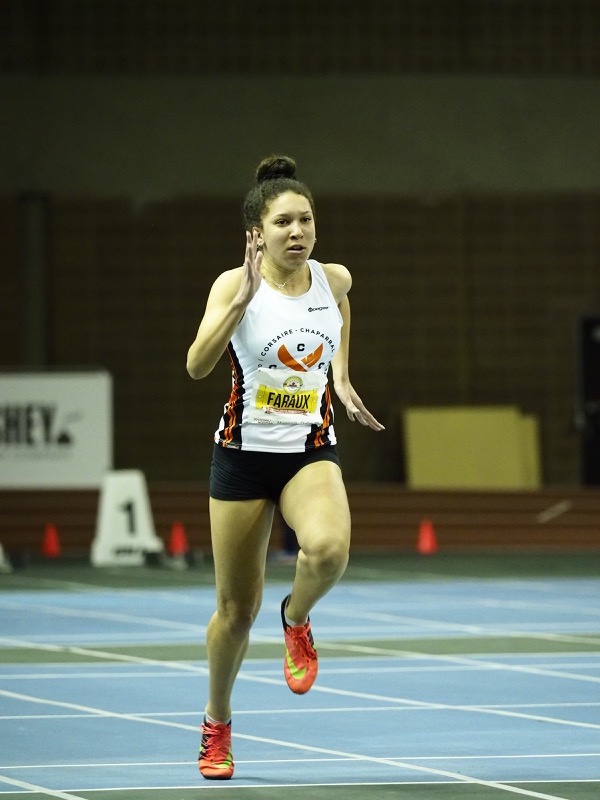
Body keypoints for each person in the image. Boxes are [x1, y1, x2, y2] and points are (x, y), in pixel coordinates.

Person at [186, 154, 384, 780]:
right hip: (243, 457)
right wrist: (239, 302)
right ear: (258, 234)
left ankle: (296, 618)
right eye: (283, 223)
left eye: (306, 220)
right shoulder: (232, 286)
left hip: (308, 450)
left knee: (327, 550)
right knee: (234, 611)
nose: (297, 232)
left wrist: (342, 374)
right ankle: (216, 723)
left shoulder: (333, 279)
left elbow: (343, 311)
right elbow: (196, 365)